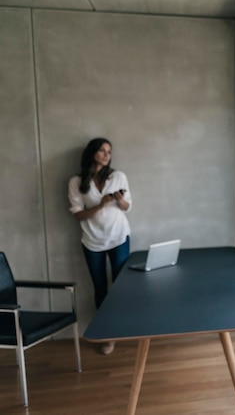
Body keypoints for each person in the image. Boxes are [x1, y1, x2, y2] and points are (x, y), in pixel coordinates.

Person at [68, 137, 132, 355]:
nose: (107, 155)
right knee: (100, 288)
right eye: (103, 151)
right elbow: (78, 215)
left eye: (109, 152)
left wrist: (119, 201)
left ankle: (124, 328)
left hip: (118, 236)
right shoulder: (76, 182)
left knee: (122, 286)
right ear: (92, 153)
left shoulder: (118, 176)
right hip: (92, 240)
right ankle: (108, 335)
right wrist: (101, 204)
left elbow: (127, 206)